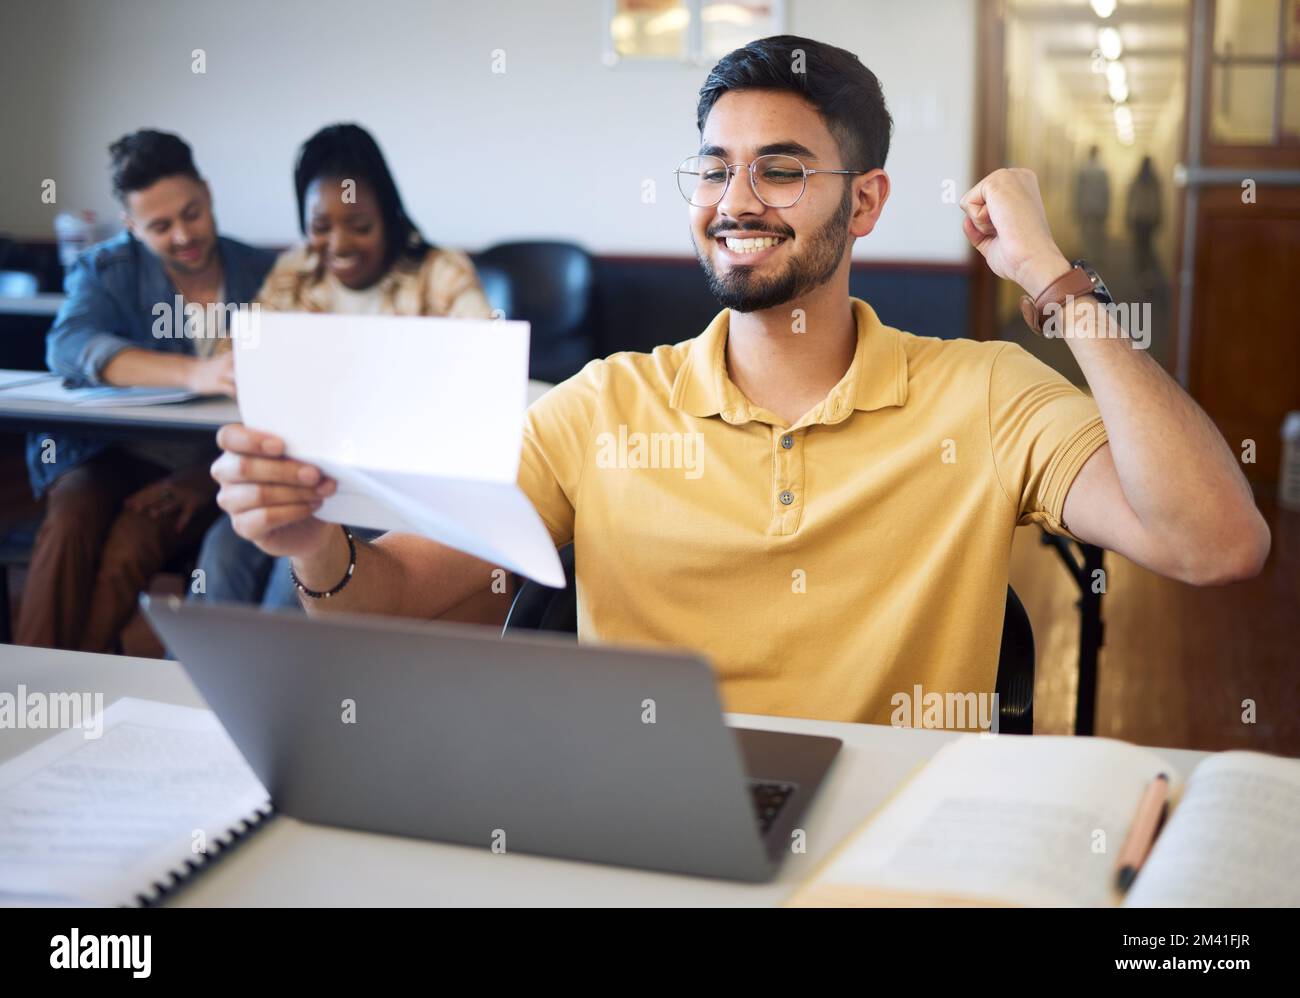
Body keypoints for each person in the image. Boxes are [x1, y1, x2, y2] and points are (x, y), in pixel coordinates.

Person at [209, 37, 1269, 726]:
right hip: (639, 833)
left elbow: (1216, 542)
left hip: (888, 852)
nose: (735, 197)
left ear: (864, 204)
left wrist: (1051, 279)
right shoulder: (602, 405)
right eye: (714, 166)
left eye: (781, 167)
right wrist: (312, 543)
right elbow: (385, 600)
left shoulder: (982, 395)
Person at [192, 123, 492, 612]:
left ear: (389, 216)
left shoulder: (440, 273)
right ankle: (193, 680)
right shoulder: (295, 273)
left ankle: (282, 682)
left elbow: (481, 373)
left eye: (360, 224)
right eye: (320, 226)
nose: (339, 244)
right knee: (221, 553)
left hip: (392, 488)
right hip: (300, 472)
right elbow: (237, 357)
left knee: (287, 585)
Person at [16, 130, 274, 652]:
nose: (183, 235)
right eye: (160, 226)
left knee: (131, 543)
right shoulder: (107, 269)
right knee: (70, 521)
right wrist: (191, 373)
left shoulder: (260, 273)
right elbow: (68, 345)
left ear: (207, 191)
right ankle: (27, 689)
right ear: (131, 226)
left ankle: (63, 694)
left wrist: (201, 480)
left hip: (206, 462)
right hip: (107, 453)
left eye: (192, 213)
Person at [1126, 155, 1163, 276]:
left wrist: (1128, 216)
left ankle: (1141, 268)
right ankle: (1147, 269)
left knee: (1140, 244)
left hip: (1139, 217)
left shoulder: (1136, 179)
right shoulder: (1155, 181)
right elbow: (1158, 201)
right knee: (1147, 244)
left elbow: (1131, 200)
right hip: (1150, 217)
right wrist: (1159, 216)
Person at [1075, 144, 1110, 256]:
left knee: (1087, 235)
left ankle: (1089, 256)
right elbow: (1106, 192)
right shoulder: (1103, 170)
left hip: (1086, 207)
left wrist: (1077, 207)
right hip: (1100, 208)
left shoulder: (1083, 169)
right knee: (1099, 234)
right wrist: (1107, 207)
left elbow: (1079, 191)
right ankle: (1098, 255)